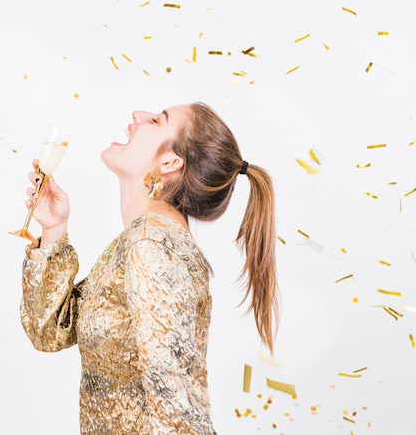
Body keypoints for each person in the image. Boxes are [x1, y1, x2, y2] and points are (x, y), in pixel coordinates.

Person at [19, 102, 279, 434]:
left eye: (157, 120)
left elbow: (175, 407)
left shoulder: (152, 247)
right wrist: (54, 229)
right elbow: (50, 331)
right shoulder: (139, 241)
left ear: (170, 162)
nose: (138, 115)